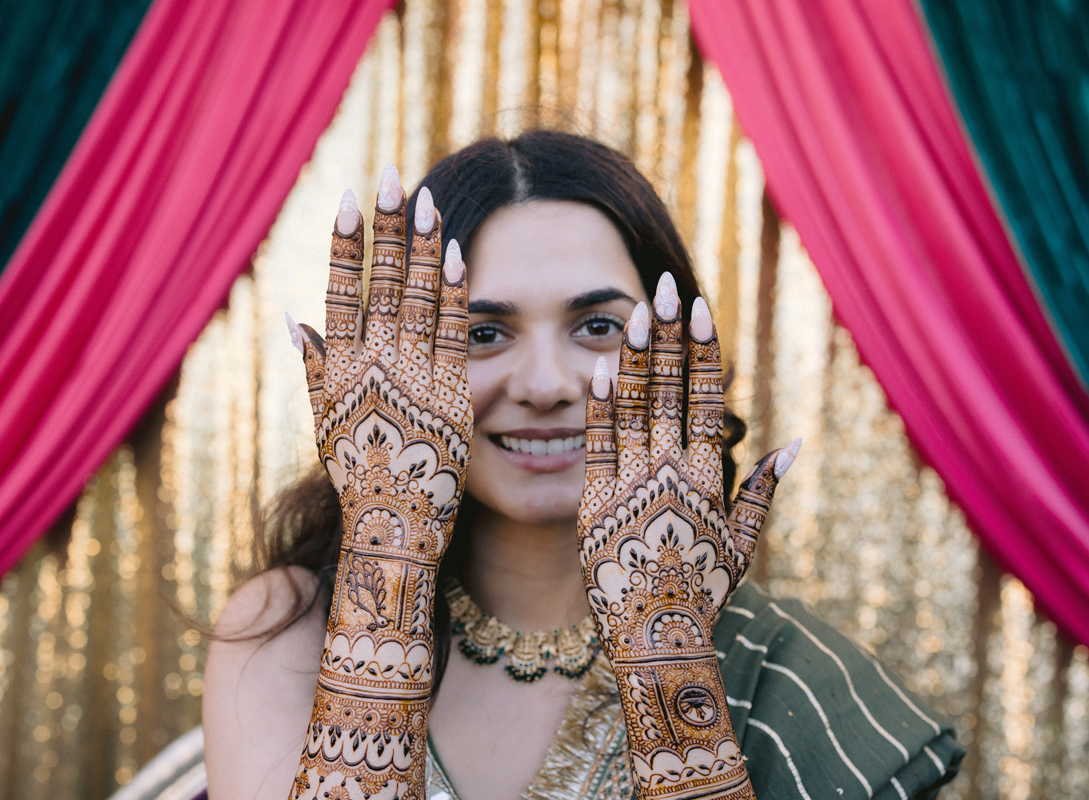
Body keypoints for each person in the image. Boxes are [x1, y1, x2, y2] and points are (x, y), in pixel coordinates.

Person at [202, 131, 963, 800]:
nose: (543, 386)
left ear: (678, 359)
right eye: (480, 334)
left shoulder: (793, 678)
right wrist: (390, 539)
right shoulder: (292, 630)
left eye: (597, 326)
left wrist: (665, 655)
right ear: (395, 358)